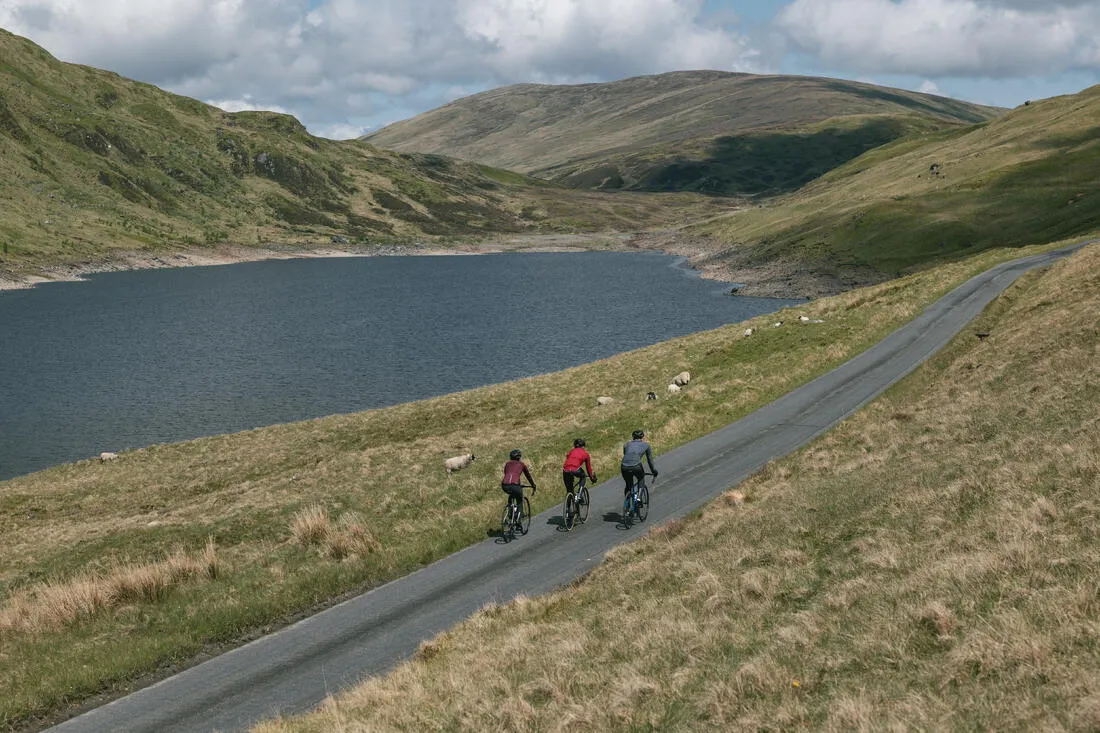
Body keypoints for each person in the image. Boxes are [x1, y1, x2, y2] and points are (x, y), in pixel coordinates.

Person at [621, 429, 657, 498]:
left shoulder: (626, 445)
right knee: (641, 479)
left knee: (629, 486)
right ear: (642, 438)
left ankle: (627, 504)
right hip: (636, 466)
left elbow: (626, 455)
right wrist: (654, 471)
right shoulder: (646, 445)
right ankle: (639, 498)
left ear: (633, 437)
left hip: (624, 466)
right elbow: (649, 460)